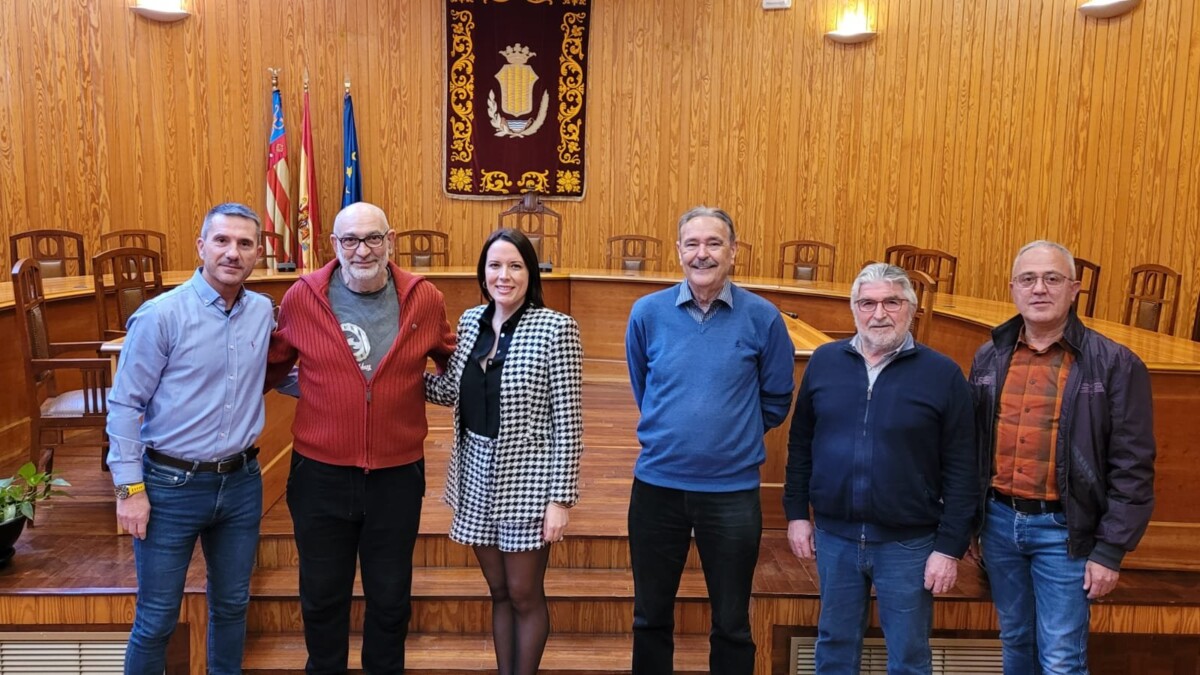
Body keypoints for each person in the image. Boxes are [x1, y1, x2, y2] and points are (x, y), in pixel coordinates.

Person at [266, 201, 455, 674]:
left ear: (391, 242)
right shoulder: (303, 297)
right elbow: (270, 367)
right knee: (322, 598)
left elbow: (454, 363)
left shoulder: (425, 298)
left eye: (374, 238)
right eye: (351, 239)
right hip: (320, 474)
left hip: (396, 475)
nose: (362, 249)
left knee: (391, 601)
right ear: (334, 245)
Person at [970, 240, 1156, 674]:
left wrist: (1110, 550)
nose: (1039, 289)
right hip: (998, 525)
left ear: (1074, 290)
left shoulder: (1115, 365)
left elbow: (1133, 467)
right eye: (1028, 279)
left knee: (1060, 658)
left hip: (1066, 533)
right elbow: (973, 446)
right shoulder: (989, 356)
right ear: (1013, 288)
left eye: (1052, 279)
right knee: (1016, 642)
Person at [783, 262, 977, 674]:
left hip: (909, 545)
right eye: (867, 303)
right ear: (853, 308)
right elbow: (801, 444)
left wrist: (949, 547)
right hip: (834, 536)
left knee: (908, 655)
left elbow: (964, 467)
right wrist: (798, 515)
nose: (879, 313)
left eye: (892, 301)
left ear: (912, 308)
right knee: (833, 646)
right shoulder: (824, 361)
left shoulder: (943, 374)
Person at [625, 206, 795, 675]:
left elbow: (777, 397)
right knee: (650, 617)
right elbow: (646, 388)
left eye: (714, 243)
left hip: (732, 494)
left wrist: (730, 434)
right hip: (657, 488)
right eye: (693, 244)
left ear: (734, 252)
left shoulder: (764, 318)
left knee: (733, 622)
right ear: (679, 251)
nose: (703, 254)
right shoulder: (648, 314)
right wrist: (679, 429)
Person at [107, 202, 272, 675]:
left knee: (232, 607)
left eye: (244, 244)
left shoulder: (262, 312)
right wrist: (128, 490)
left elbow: (284, 374)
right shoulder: (160, 316)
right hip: (168, 489)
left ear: (257, 253)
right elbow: (124, 407)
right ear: (201, 246)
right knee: (157, 619)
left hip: (241, 484)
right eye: (221, 241)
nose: (232, 253)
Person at [424, 228, 584, 675]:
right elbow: (450, 390)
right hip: (474, 473)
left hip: (528, 479)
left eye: (515, 265)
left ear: (530, 273)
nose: (504, 275)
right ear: (483, 273)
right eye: (495, 265)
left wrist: (559, 500)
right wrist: (395, 371)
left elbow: (568, 423)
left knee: (523, 593)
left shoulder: (557, 328)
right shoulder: (472, 320)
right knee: (497, 592)